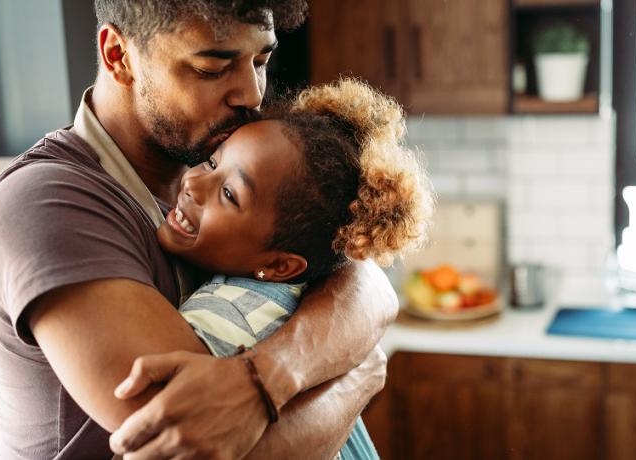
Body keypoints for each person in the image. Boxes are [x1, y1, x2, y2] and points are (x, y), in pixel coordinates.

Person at [0, 1, 398, 459]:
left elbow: (364, 278)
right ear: (118, 55)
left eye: (260, 61)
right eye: (213, 67)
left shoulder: (209, 165)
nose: (251, 94)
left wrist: (272, 373)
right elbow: (218, 450)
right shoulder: (46, 203)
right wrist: (358, 377)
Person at [147, 78, 433, 459]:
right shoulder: (304, 294)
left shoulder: (225, 319)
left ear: (279, 265)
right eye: (214, 161)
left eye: (229, 195)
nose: (194, 183)